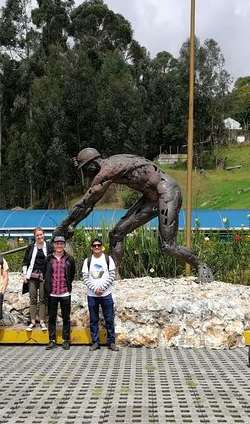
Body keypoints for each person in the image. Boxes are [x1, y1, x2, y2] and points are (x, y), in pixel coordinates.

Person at [53, 148, 213, 283]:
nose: (87, 173)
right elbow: (88, 205)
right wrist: (71, 224)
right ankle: (114, 275)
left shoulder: (107, 170)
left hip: (168, 191)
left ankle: (201, 266)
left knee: (168, 246)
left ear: (93, 164)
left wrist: (62, 227)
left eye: (86, 169)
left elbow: (86, 202)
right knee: (116, 234)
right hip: (152, 197)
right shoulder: (112, 162)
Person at [82, 238, 119, 352]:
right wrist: (94, 289)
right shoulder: (87, 261)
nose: (96, 247)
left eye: (98, 245)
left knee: (109, 319)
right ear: (91, 247)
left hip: (106, 294)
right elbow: (85, 277)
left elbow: (112, 275)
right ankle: (95, 342)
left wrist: (102, 288)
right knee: (93, 320)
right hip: (92, 295)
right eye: (94, 245)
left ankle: (111, 342)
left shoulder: (108, 259)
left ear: (102, 246)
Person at [43, 235, 76, 350]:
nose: (59, 245)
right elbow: (45, 274)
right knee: (52, 317)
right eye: (57, 243)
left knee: (66, 318)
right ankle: (52, 340)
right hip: (52, 293)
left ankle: (65, 340)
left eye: (61, 243)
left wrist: (67, 286)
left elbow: (71, 275)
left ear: (64, 245)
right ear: (54, 245)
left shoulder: (69, 259)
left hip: (65, 293)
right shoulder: (48, 259)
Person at [21, 227, 53, 331]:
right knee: (33, 299)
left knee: (43, 299)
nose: (39, 237)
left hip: (44, 276)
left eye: (41, 234)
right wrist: (25, 275)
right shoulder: (31, 247)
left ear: (44, 234)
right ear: (35, 236)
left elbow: (52, 261)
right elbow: (25, 261)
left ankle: (42, 321)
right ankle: (33, 321)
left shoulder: (49, 247)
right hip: (32, 276)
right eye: (37, 235)